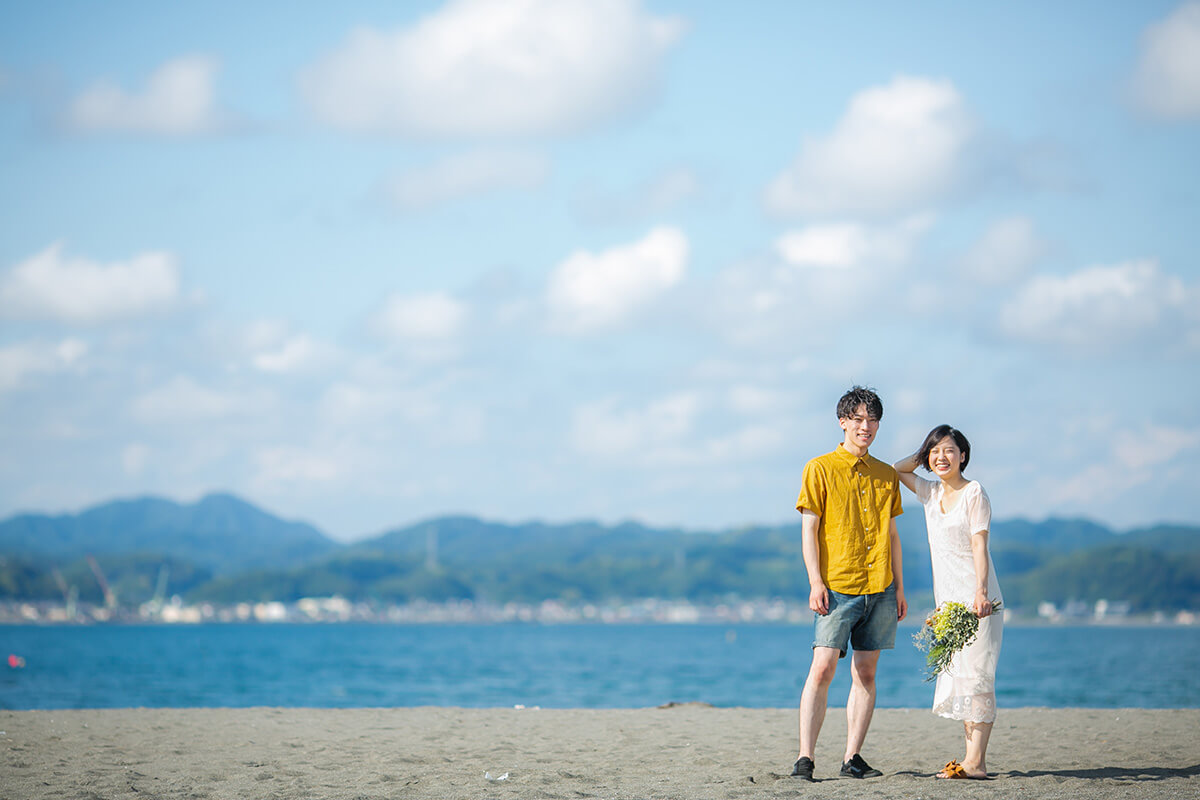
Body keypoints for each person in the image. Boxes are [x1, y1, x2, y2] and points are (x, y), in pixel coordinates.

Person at [791, 386, 907, 782]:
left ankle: (852, 757)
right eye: (858, 419)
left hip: (880, 586)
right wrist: (815, 581)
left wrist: (900, 589)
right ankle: (805, 758)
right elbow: (810, 530)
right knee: (822, 668)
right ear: (843, 422)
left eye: (872, 420)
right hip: (836, 586)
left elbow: (892, 536)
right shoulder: (819, 468)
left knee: (867, 673)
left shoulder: (887, 474)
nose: (866, 426)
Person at [894, 425, 1003, 780]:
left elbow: (978, 544)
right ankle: (971, 759)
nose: (942, 457)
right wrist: (926, 450)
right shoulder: (928, 493)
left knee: (978, 676)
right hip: (949, 603)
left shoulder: (974, 493)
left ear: (964, 456)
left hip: (977, 600)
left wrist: (981, 592)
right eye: (935, 452)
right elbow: (898, 469)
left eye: (950, 450)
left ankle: (977, 763)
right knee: (961, 677)